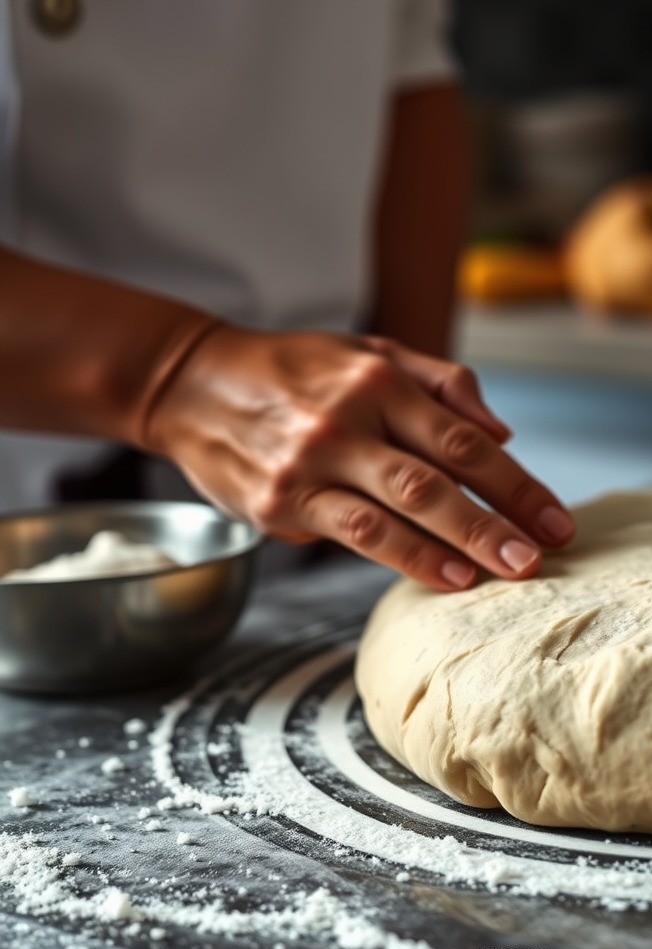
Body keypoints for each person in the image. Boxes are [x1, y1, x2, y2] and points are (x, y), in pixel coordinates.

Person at [0, 0, 576, 590]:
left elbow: (409, 72)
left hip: (323, 459)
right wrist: (171, 374)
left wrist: (404, 438)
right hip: (38, 506)